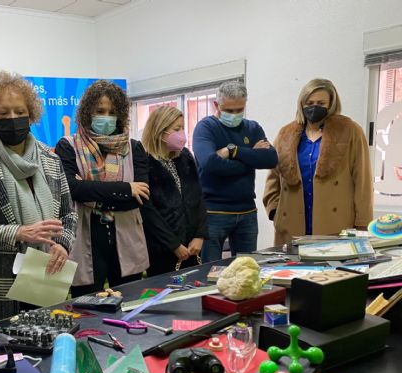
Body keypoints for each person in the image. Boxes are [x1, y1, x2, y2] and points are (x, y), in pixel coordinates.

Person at [0, 71, 77, 326]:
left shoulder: (51, 159)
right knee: (3, 355)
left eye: (19, 111)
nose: (13, 118)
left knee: (48, 345)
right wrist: (19, 233)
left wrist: (63, 244)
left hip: (46, 274)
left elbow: (69, 214)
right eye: (3, 113)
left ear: (31, 115)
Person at [55, 80, 149, 297]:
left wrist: (89, 190)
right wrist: (126, 188)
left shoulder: (134, 148)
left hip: (125, 238)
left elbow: (140, 196)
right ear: (88, 112)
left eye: (112, 111)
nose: (106, 116)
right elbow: (72, 189)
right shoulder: (67, 145)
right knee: (87, 307)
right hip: (84, 238)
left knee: (130, 303)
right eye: (100, 111)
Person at [263, 78, 373, 245]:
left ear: (331, 105)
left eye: (321, 102)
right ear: (302, 103)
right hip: (292, 223)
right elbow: (273, 177)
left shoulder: (350, 131)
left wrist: (363, 223)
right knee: (292, 270)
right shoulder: (286, 133)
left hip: (335, 224)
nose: (314, 107)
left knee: (331, 270)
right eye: (310, 102)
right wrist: (274, 211)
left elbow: (362, 180)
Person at [192, 81, 278, 262]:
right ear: (216, 105)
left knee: (247, 270)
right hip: (213, 212)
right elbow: (210, 163)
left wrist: (233, 151)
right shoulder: (205, 128)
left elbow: (271, 159)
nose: (235, 115)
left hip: (247, 211)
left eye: (239, 110)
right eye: (229, 111)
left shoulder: (252, 128)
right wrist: (251, 158)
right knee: (210, 271)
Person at [139, 106, 207, 276]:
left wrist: (199, 235)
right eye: (177, 129)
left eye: (183, 128)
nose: (182, 134)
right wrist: (174, 245)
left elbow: (198, 198)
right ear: (160, 132)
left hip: (192, 247)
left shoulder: (185, 157)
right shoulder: (145, 162)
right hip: (161, 249)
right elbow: (148, 211)